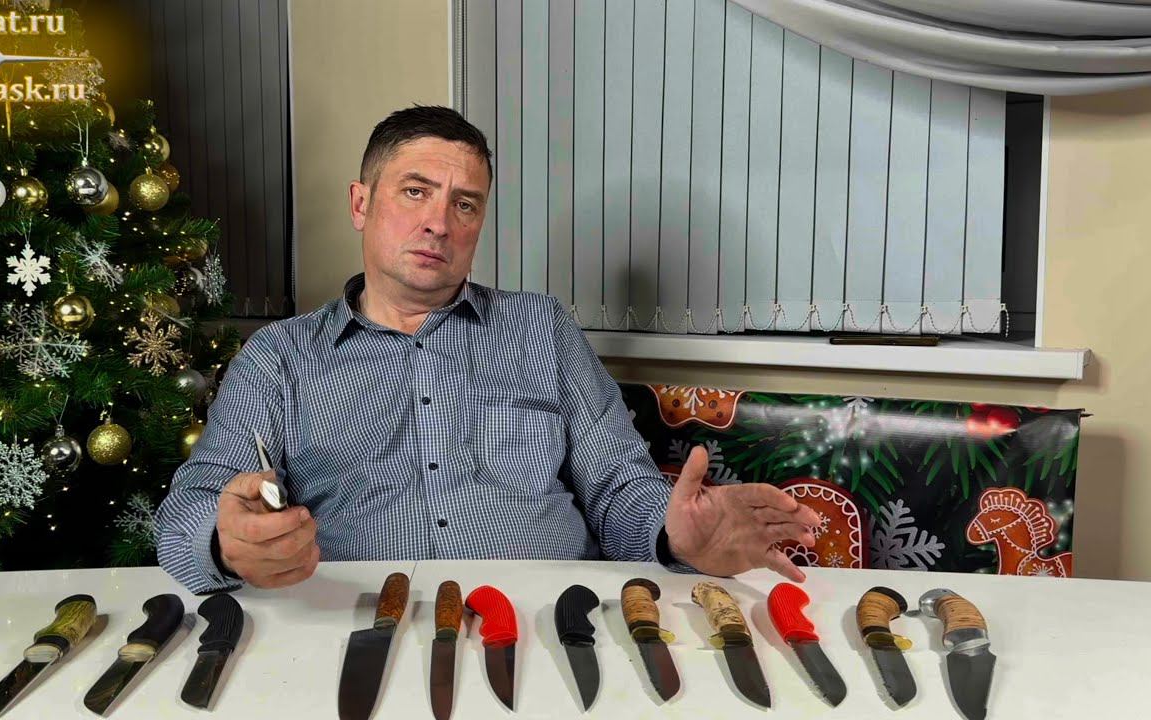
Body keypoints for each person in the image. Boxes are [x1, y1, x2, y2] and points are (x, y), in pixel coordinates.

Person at [156, 105, 818, 593]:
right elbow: (192, 508)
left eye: (465, 205)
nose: (438, 223)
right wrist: (225, 541)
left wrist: (675, 535)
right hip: (361, 626)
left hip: (552, 619)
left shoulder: (541, 329)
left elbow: (620, 488)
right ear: (361, 203)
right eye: (415, 191)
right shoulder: (279, 357)